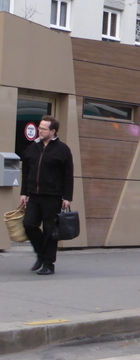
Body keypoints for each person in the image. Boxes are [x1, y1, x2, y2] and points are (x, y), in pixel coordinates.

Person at [19, 116, 74, 275]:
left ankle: (49, 264)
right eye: (39, 127)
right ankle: (41, 254)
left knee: (50, 230)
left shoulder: (62, 149)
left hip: (53, 196)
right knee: (29, 224)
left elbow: (68, 175)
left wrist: (67, 197)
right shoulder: (33, 147)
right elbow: (26, 172)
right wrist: (24, 192)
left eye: (43, 129)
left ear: (53, 131)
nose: (39, 130)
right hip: (34, 196)